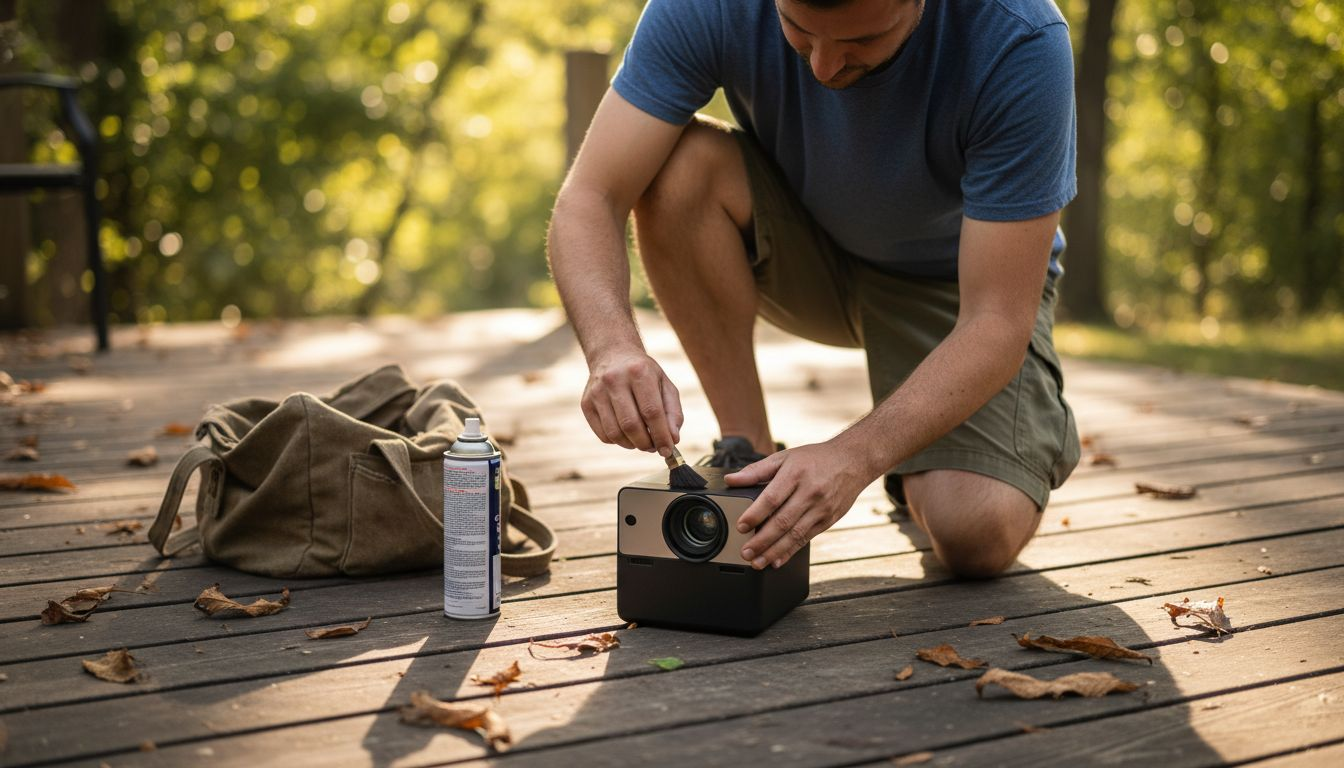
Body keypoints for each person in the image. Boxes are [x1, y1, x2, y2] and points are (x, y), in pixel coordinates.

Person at [547, 0, 1082, 580]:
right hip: (804, 248)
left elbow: (998, 320)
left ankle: (922, 462)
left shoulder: (1020, 39)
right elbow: (590, 197)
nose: (824, 68)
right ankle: (745, 452)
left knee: (973, 533)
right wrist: (612, 348)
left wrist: (856, 457)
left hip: (953, 288)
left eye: (864, 39)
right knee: (679, 167)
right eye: (798, 30)